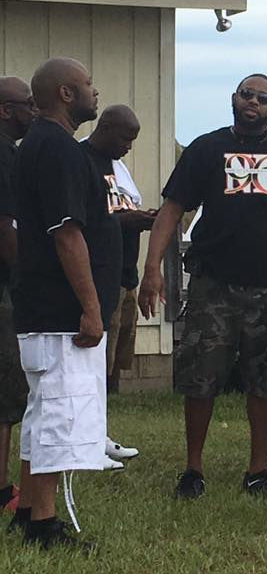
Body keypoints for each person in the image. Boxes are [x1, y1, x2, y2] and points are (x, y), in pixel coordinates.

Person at [138, 73, 267, 500]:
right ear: (234, 99)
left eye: (262, 98)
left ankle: (258, 470)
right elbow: (172, 210)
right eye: (246, 94)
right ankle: (193, 470)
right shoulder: (207, 149)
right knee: (200, 378)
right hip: (213, 285)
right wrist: (152, 268)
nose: (253, 102)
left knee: (266, 379)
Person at [11, 58, 120, 550]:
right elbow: (67, 233)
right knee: (60, 413)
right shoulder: (57, 148)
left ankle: (27, 511)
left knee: (41, 412)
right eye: (88, 84)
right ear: (65, 93)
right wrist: (91, 308)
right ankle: (44, 524)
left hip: (43, 309)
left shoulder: (37, 144)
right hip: (60, 315)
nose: (96, 92)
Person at [82, 105, 156, 469]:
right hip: (99, 278)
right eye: (126, 138)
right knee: (93, 365)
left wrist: (144, 218)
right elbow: (92, 219)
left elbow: (122, 208)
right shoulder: (82, 161)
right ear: (106, 127)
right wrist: (132, 220)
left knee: (110, 367)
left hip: (125, 277)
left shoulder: (118, 166)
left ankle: (100, 435)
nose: (129, 146)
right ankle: (87, 443)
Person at [0, 77, 37, 515]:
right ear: (5, 111)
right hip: (5, 287)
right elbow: (6, 225)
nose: (34, 111)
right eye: (28, 104)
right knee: (6, 393)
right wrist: (25, 277)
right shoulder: (5, 154)